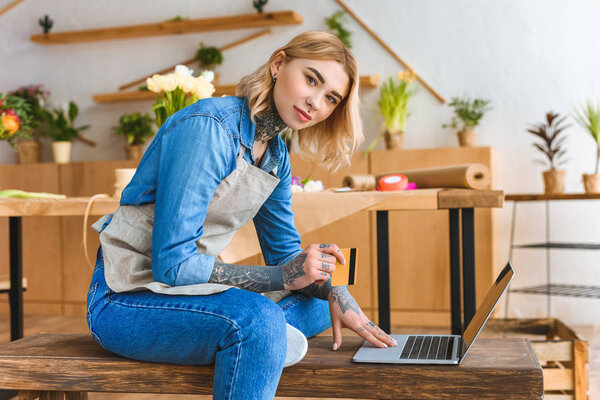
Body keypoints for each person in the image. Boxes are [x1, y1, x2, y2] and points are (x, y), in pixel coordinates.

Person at [86, 30, 397, 400]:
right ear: (279, 64)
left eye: (330, 98)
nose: (315, 102)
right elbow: (171, 266)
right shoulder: (209, 128)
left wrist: (336, 288)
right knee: (258, 320)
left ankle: (254, 344)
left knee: (320, 305)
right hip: (127, 297)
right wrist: (284, 277)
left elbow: (284, 254)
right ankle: (259, 339)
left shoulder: (276, 158)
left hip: (197, 293)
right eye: (311, 79)